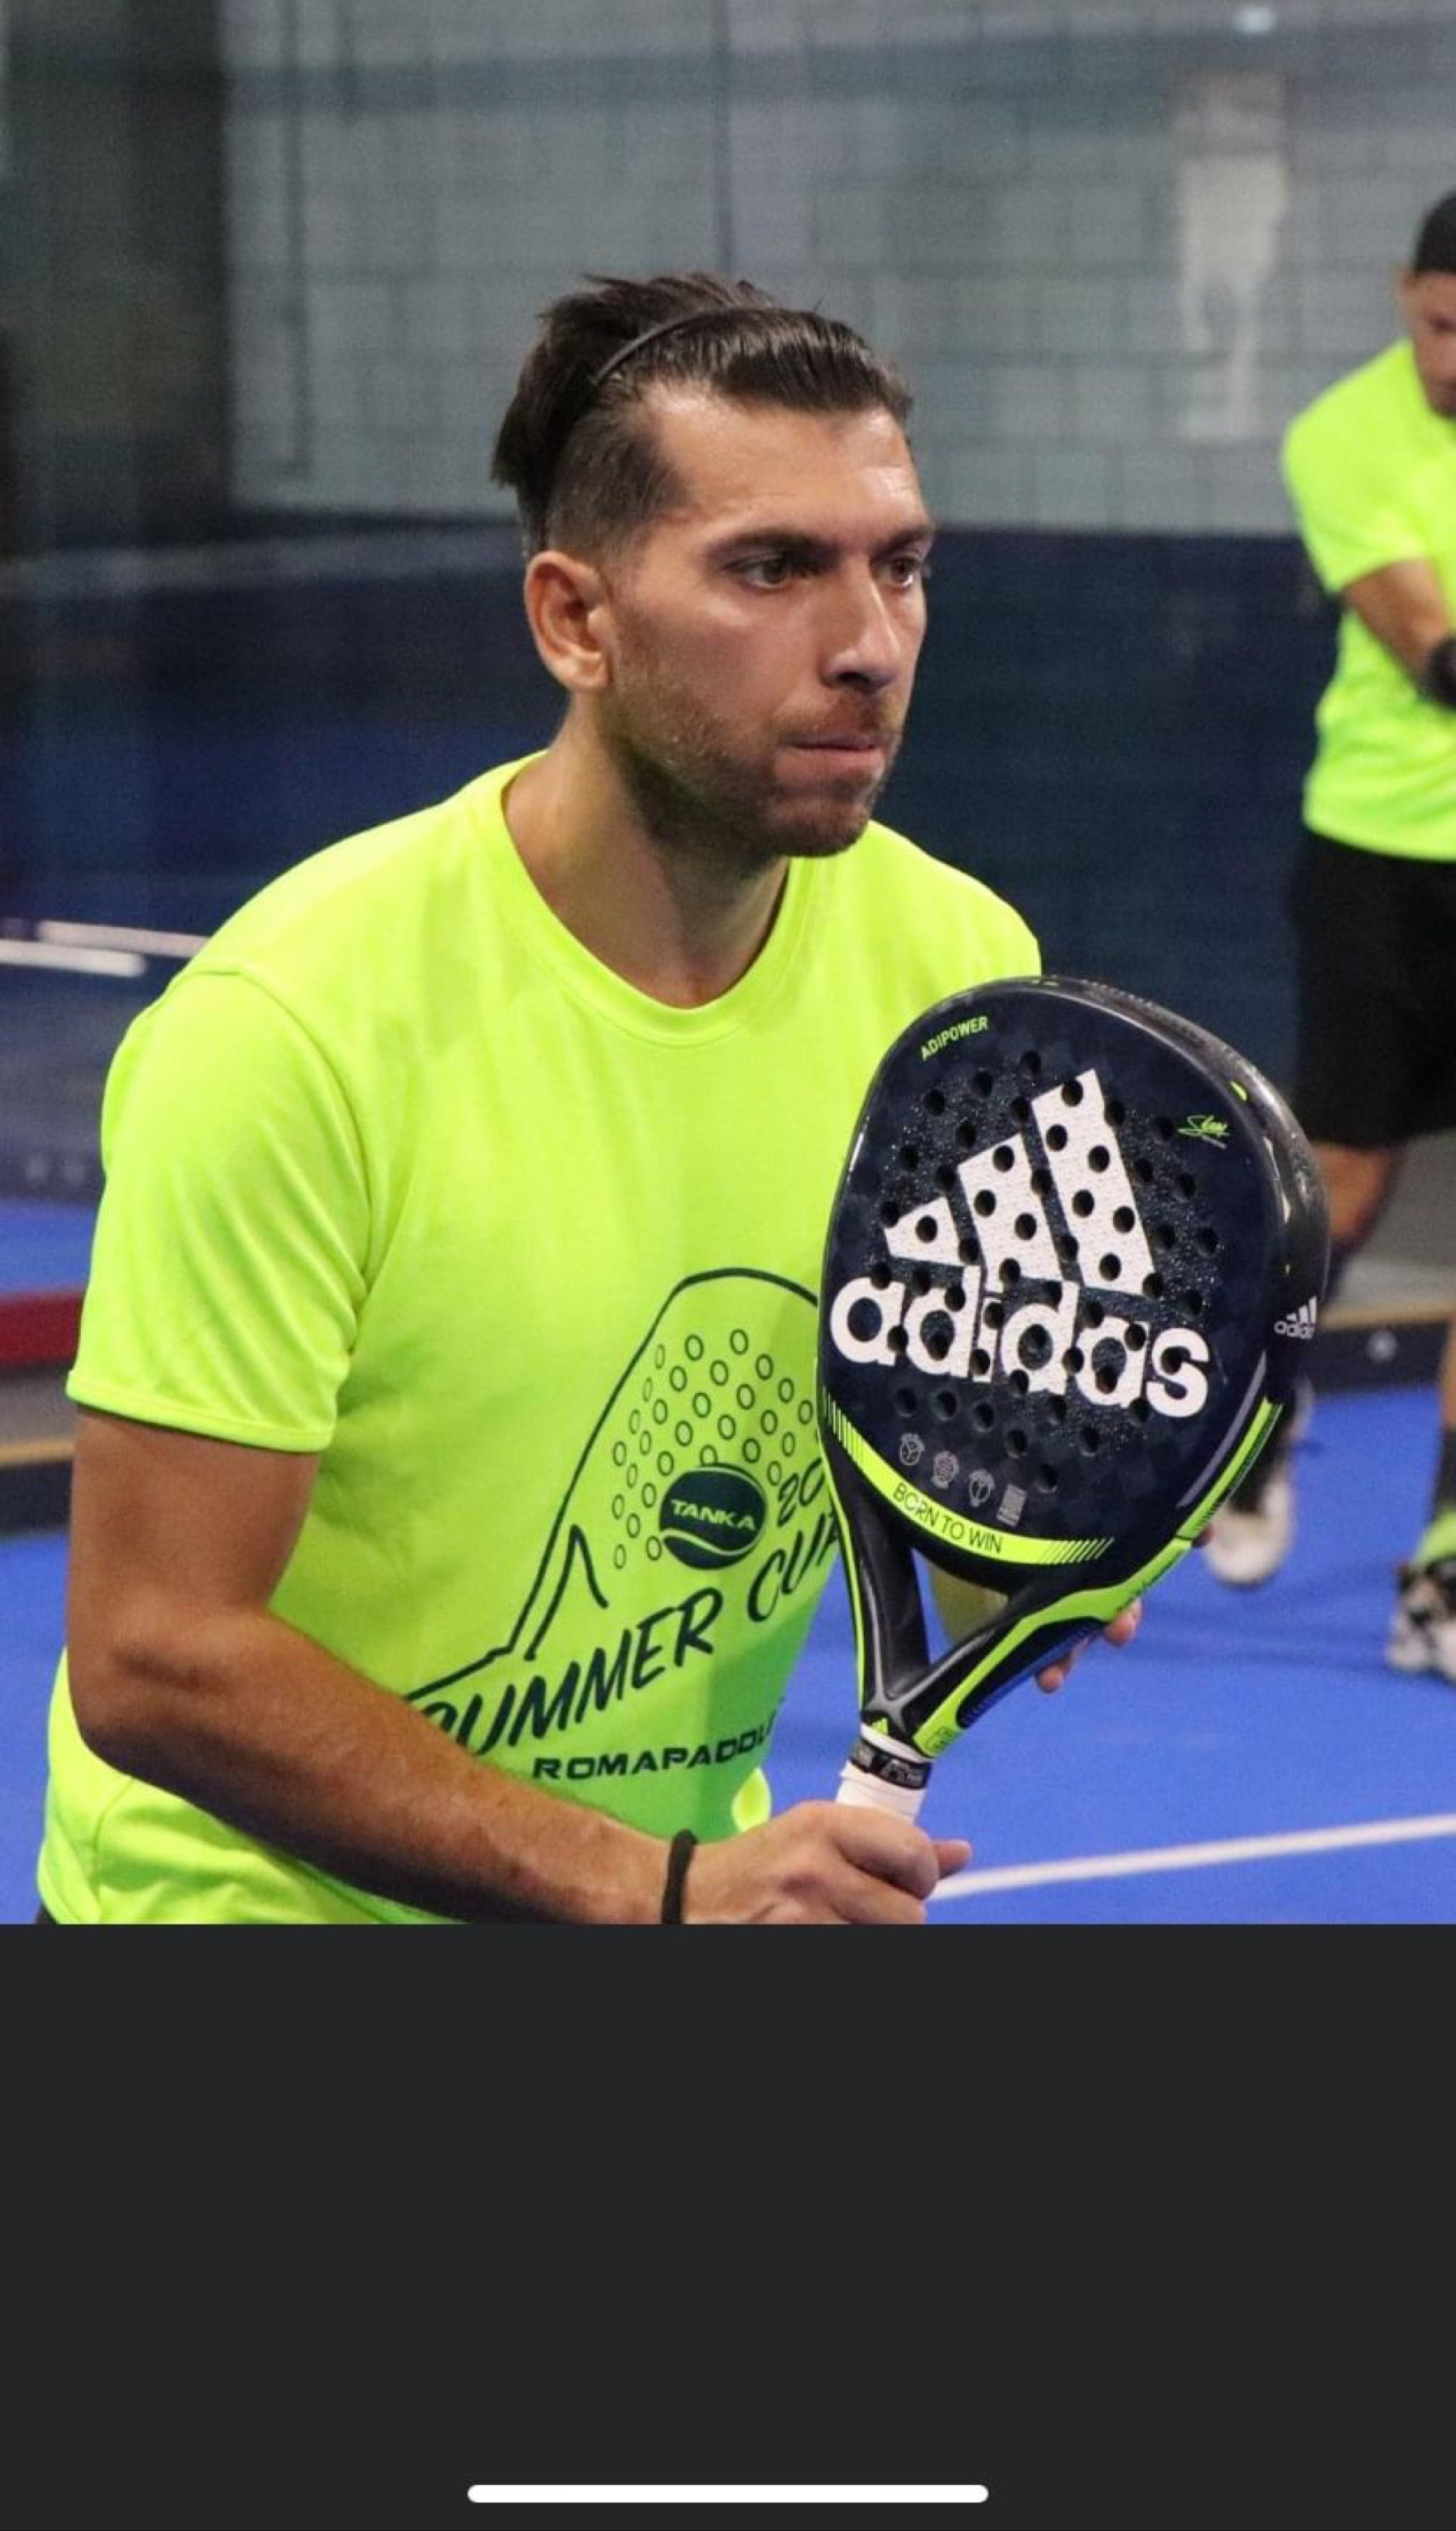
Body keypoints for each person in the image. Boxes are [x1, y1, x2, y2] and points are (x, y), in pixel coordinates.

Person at [35, 267, 1139, 1927]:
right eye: (771, 568)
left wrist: (1010, 1541)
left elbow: (959, 1431)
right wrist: (652, 1886)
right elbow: (155, 1654)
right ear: (575, 619)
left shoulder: (960, 969)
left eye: (901, 567)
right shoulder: (295, 1027)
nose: (866, 645)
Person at [1205, 190, 1456, 1679]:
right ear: (1403, 292)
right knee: (1343, 1184)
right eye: (1441, 326)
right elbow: (1436, 650)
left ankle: (1444, 1566)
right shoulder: (1342, 437)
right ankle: (1259, 1419)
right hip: (1381, 863)